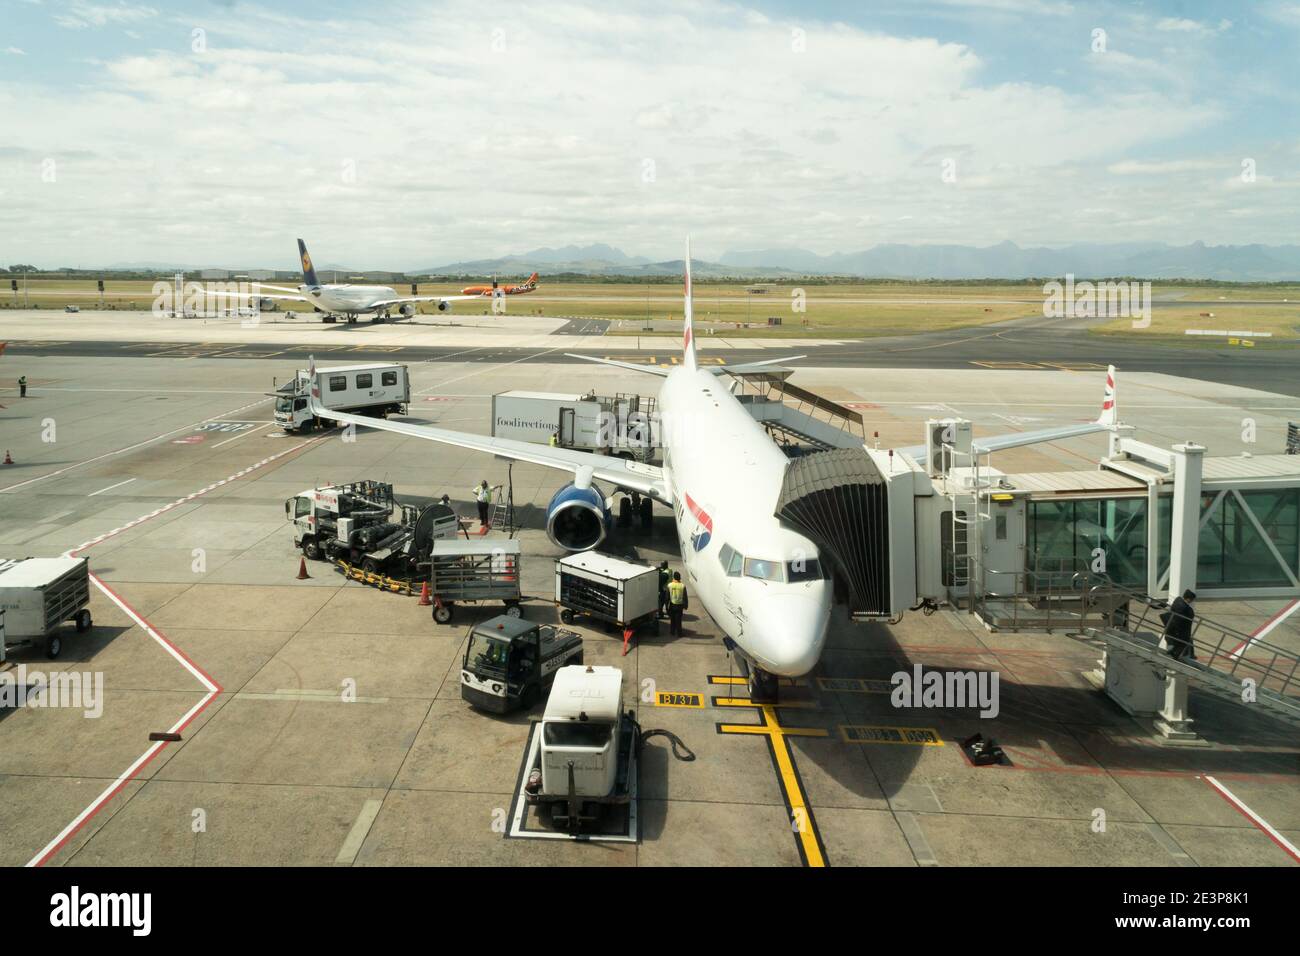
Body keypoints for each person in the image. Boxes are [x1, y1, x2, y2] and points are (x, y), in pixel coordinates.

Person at [1161, 589, 1197, 663]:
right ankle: (1176, 656)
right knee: (1183, 642)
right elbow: (1179, 620)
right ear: (1188, 599)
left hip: (1172, 628)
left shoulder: (1178, 600)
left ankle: (1174, 653)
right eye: (1192, 600)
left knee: (1181, 642)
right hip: (1178, 630)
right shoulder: (1184, 607)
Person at [667, 571, 688, 637]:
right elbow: (685, 597)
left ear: (674, 577)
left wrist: (667, 605)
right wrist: (686, 605)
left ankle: (672, 631)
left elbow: (667, 597)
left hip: (672, 605)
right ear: (679, 577)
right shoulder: (682, 586)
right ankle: (679, 633)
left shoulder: (669, 585)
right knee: (678, 620)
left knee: (672, 619)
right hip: (679, 606)